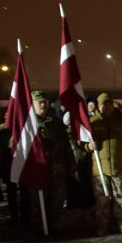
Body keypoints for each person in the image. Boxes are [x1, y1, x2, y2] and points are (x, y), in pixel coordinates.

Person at [86, 93, 122, 236]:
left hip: (119, 166)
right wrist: (88, 147)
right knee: (102, 200)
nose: (106, 107)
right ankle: (102, 225)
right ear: (99, 107)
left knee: (121, 197)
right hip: (100, 170)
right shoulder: (92, 123)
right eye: (103, 105)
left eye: (109, 104)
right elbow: (81, 144)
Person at [29, 91, 73, 233]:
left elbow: (66, 145)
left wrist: (71, 165)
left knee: (57, 200)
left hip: (57, 169)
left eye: (45, 102)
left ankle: (54, 226)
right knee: (36, 201)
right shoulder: (27, 124)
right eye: (39, 102)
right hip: (37, 170)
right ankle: (38, 227)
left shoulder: (56, 123)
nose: (43, 104)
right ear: (32, 104)